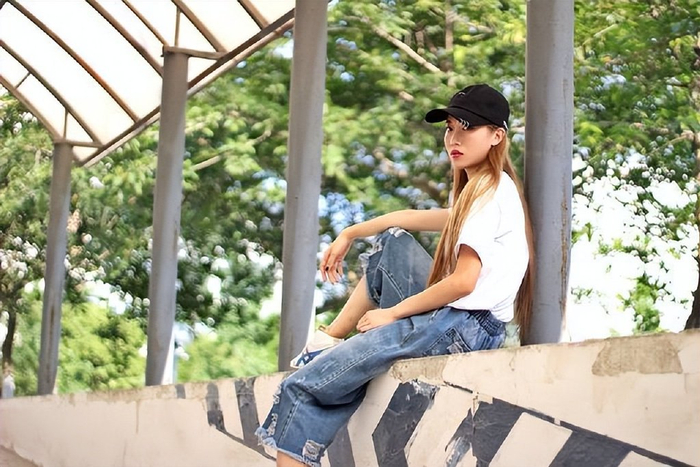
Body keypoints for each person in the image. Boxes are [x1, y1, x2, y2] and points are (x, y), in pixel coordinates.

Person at [256, 83, 534, 467]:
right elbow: (410, 219)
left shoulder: (489, 192)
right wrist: (351, 232)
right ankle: (328, 340)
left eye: (467, 128)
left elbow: (463, 282)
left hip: (459, 326)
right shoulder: (483, 190)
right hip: (463, 324)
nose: (454, 138)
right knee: (392, 243)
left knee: (301, 388)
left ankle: (325, 357)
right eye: (450, 127)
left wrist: (392, 313)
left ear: (496, 136)